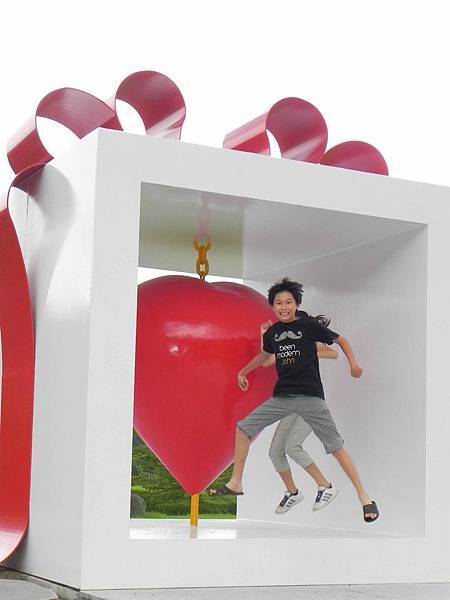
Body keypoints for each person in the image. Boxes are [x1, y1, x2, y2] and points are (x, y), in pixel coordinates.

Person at [210, 277, 379, 523]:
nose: (284, 307)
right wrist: (243, 372)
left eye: (288, 302)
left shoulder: (308, 326)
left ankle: (365, 498)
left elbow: (340, 340)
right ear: (273, 306)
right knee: (243, 428)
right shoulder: (274, 333)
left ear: (296, 304)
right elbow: (265, 356)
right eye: (279, 303)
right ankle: (236, 482)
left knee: (335, 447)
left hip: (311, 397)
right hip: (283, 397)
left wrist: (354, 364)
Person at [261, 316, 340, 514]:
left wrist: (306, 351)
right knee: (275, 452)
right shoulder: (285, 344)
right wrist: (263, 336)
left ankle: (326, 486)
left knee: (292, 447)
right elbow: (266, 360)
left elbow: (333, 353)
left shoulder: (310, 340)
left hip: (310, 401)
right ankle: (293, 492)